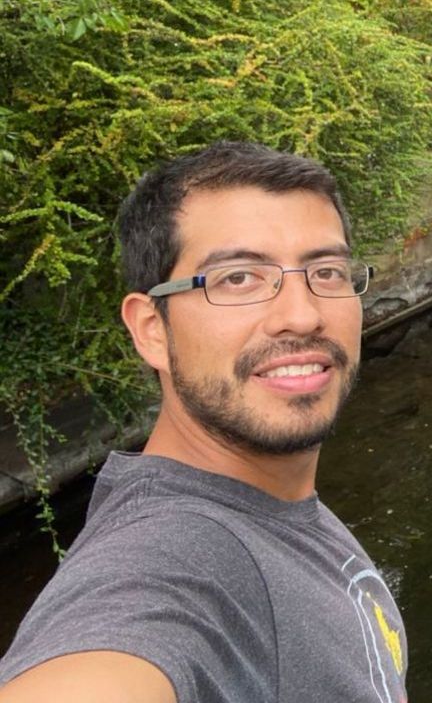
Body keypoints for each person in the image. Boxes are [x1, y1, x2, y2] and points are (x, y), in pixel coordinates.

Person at [0, 142, 407, 703]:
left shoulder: (274, 503)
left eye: (327, 271)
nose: (302, 315)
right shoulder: (171, 557)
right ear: (151, 329)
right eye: (237, 278)